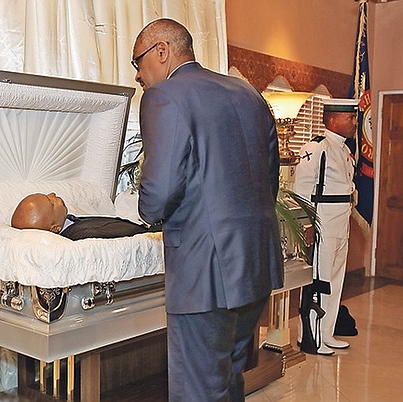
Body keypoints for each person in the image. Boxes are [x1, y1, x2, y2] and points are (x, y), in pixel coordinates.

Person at [132, 18, 283, 401]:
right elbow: (268, 181)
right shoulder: (248, 93)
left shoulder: (165, 96)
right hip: (254, 266)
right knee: (228, 381)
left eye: (138, 62)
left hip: (205, 272)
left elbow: (160, 191)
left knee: (197, 391)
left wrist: (147, 212)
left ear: (162, 51)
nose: (138, 76)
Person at [294, 98, 358, 356]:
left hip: (341, 221)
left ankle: (327, 332)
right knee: (320, 280)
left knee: (336, 277)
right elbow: (302, 188)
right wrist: (307, 223)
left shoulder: (343, 150)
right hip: (322, 220)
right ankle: (311, 336)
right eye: (350, 118)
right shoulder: (317, 148)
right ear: (333, 120)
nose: (355, 122)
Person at [10, 192, 158, 240]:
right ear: (55, 228)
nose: (53, 194)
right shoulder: (84, 234)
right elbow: (137, 233)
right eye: (51, 202)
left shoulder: (71, 223)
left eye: (47, 195)